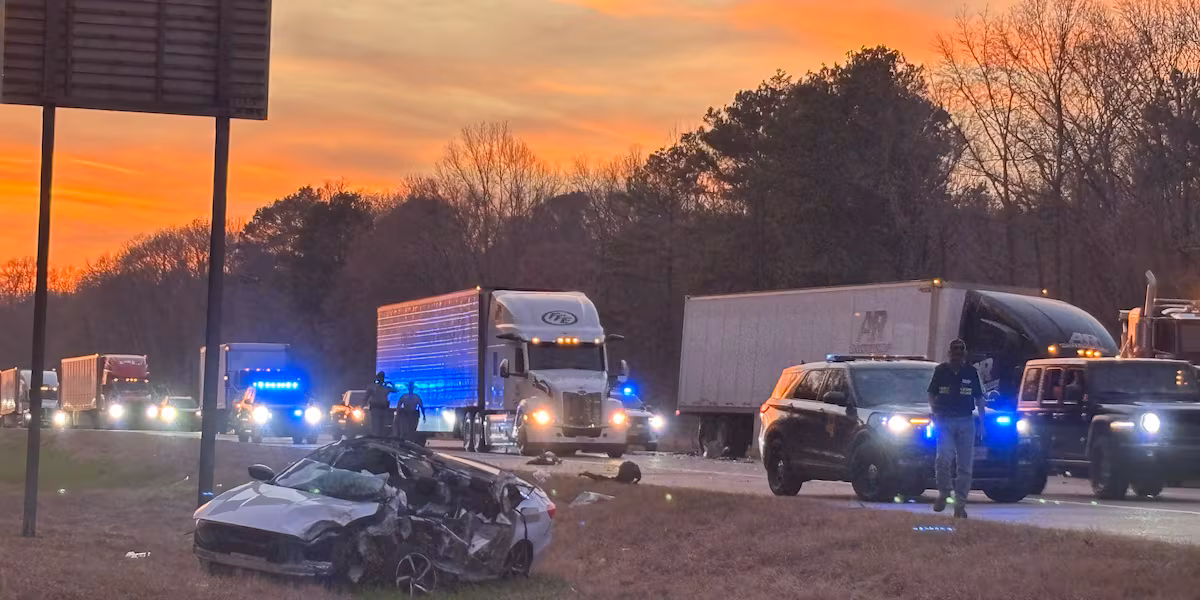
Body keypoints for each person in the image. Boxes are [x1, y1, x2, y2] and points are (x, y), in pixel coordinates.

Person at [927, 339, 986, 519]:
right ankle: (944, 492)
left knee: (965, 466)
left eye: (961, 350)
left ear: (965, 353)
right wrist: (934, 411)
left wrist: (982, 423)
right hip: (944, 420)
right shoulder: (941, 371)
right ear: (949, 352)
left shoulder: (971, 372)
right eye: (955, 351)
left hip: (966, 421)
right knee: (943, 459)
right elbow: (931, 393)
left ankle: (960, 504)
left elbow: (979, 398)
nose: (958, 354)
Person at [364, 372, 393, 437]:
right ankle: (375, 438)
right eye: (380, 377)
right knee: (375, 425)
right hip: (375, 408)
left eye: (382, 377)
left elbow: (396, 390)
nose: (381, 379)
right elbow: (366, 397)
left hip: (383, 408)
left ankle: (381, 438)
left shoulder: (385, 387)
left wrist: (391, 384)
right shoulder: (372, 387)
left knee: (382, 426)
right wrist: (362, 405)